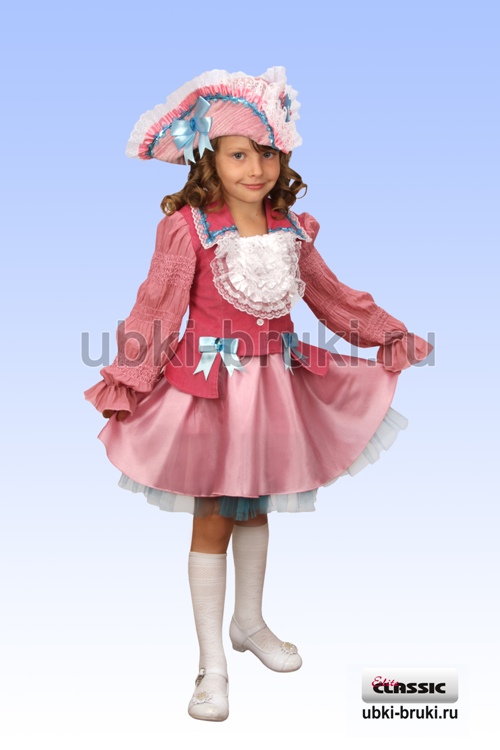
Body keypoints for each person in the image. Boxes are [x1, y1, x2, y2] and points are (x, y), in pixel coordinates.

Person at [84, 67, 433, 722]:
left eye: (268, 154)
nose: (256, 168)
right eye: (239, 154)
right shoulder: (189, 228)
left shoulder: (291, 227)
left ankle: (249, 623)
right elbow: (156, 307)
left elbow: (331, 298)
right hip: (212, 391)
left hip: (275, 387)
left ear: (284, 159)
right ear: (209, 158)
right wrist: (129, 375)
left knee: (256, 506)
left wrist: (387, 334)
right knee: (215, 514)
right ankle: (210, 664)